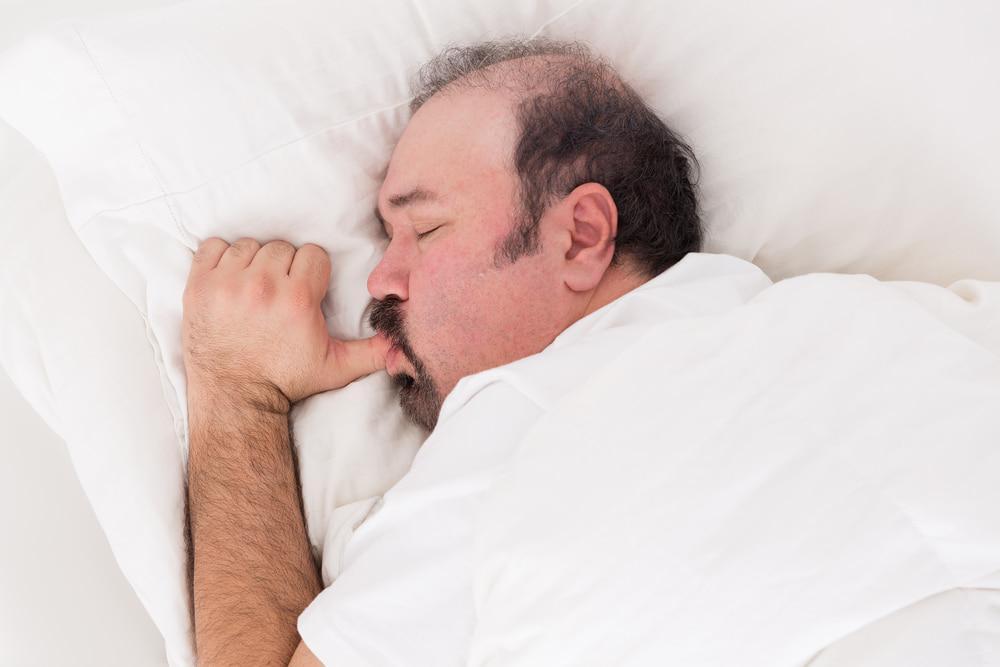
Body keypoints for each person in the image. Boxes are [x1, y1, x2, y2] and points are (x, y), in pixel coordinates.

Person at [181, 37, 734, 666]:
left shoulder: (525, 424)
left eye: (426, 228)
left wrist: (238, 392)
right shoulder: (812, 312)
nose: (380, 280)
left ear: (581, 237)